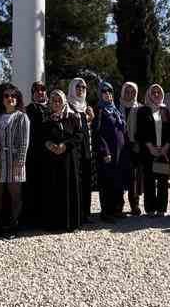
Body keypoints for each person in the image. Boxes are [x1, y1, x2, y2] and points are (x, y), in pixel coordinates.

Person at [40, 89, 87, 232]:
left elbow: (79, 135)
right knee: (53, 190)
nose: (56, 103)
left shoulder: (72, 118)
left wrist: (65, 145)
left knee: (70, 189)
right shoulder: (46, 119)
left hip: (69, 160)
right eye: (53, 100)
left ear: (64, 101)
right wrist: (48, 144)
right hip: (51, 161)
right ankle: (54, 224)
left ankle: (71, 223)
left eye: (59, 100)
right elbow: (40, 137)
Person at [0, 86, 30, 236]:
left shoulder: (22, 117)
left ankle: (14, 225)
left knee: (15, 195)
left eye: (13, 96)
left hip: (14, 161)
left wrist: (20, 161)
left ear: (17, 99)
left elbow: (24, 141)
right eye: (7, 96)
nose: (10, 98)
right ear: (3, 99)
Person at [135, 84, 170, 216]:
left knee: (163, 181)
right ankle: (150, 208)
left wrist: (166, 147)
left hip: (163, 152)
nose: (156, 95)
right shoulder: (142, 111)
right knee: (149, 181)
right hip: (148, 152)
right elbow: (140, 131)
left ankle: (161, 209)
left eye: (159, 92)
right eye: (154, 92)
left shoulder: (165, 111)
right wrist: (150, 147)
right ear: (149, 94)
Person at [93, 82, 130, 223]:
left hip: (120, 152)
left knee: (118, 181)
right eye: (104, 91)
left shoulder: (115, 110)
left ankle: (117, 209)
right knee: (107, 182)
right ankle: (106, 212)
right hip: (108, 153)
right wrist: (104, 151)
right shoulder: (100, 110)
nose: (107, 94)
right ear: (100, 93)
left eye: (110, 91)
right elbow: (98, 133)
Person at [67, 78, 97, 224]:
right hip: (74, 152)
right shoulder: (68, 106)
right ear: (72, 88)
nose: (81, 90)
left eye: (84, 87)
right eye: (78, 87)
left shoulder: (86, 107)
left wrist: (91, 118)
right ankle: (76, 214)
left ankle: (86, 213)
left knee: (86, 183)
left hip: (87, 151)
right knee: (76, 183)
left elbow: (89, 130)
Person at [22, 81, 51, 227]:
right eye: (37, 90)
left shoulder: (52, 108)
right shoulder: (28, 110)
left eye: (43, 89)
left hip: (50, 155)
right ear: (32, 93)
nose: (40, 92)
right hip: (33, 155)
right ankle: (32, 219)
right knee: (33, 187)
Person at [119, 82, 145, 216]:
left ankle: (134, 204)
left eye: (133, 92)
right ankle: (119, 205)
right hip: (120, 147)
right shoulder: (117, 108)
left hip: (135, 147)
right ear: (123, 92)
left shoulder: (140, 108)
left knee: (134, 177)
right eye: (127, 91)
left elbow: (144, 128)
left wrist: (138, 143)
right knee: (120, 175)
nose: (130, 94)